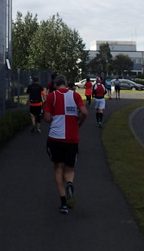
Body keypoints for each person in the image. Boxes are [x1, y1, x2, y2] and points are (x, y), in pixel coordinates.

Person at [43, 74, 87, 214]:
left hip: (55, 138)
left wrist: (53, 118)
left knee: (58, 168)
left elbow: (47, 118)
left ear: (55, 85)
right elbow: (85, 112)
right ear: (66, 84)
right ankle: (69, 183)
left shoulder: (51, 96)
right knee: (69, 169)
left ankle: (63, 204)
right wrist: (78, 123)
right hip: (71, 138)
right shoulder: (75, 96)